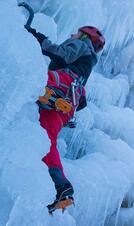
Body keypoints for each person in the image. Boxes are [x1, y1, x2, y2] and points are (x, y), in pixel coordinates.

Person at [25, 25, 105, 213]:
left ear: (86, 36)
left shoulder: (82, 45)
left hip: (61, 83)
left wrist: (37, 37)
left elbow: (62, 54)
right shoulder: (88, 62)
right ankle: (62, 188)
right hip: (69, 103)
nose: (72, 35)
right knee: (45, 140)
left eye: (77, 33)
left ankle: (48, 93)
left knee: (32, 77)